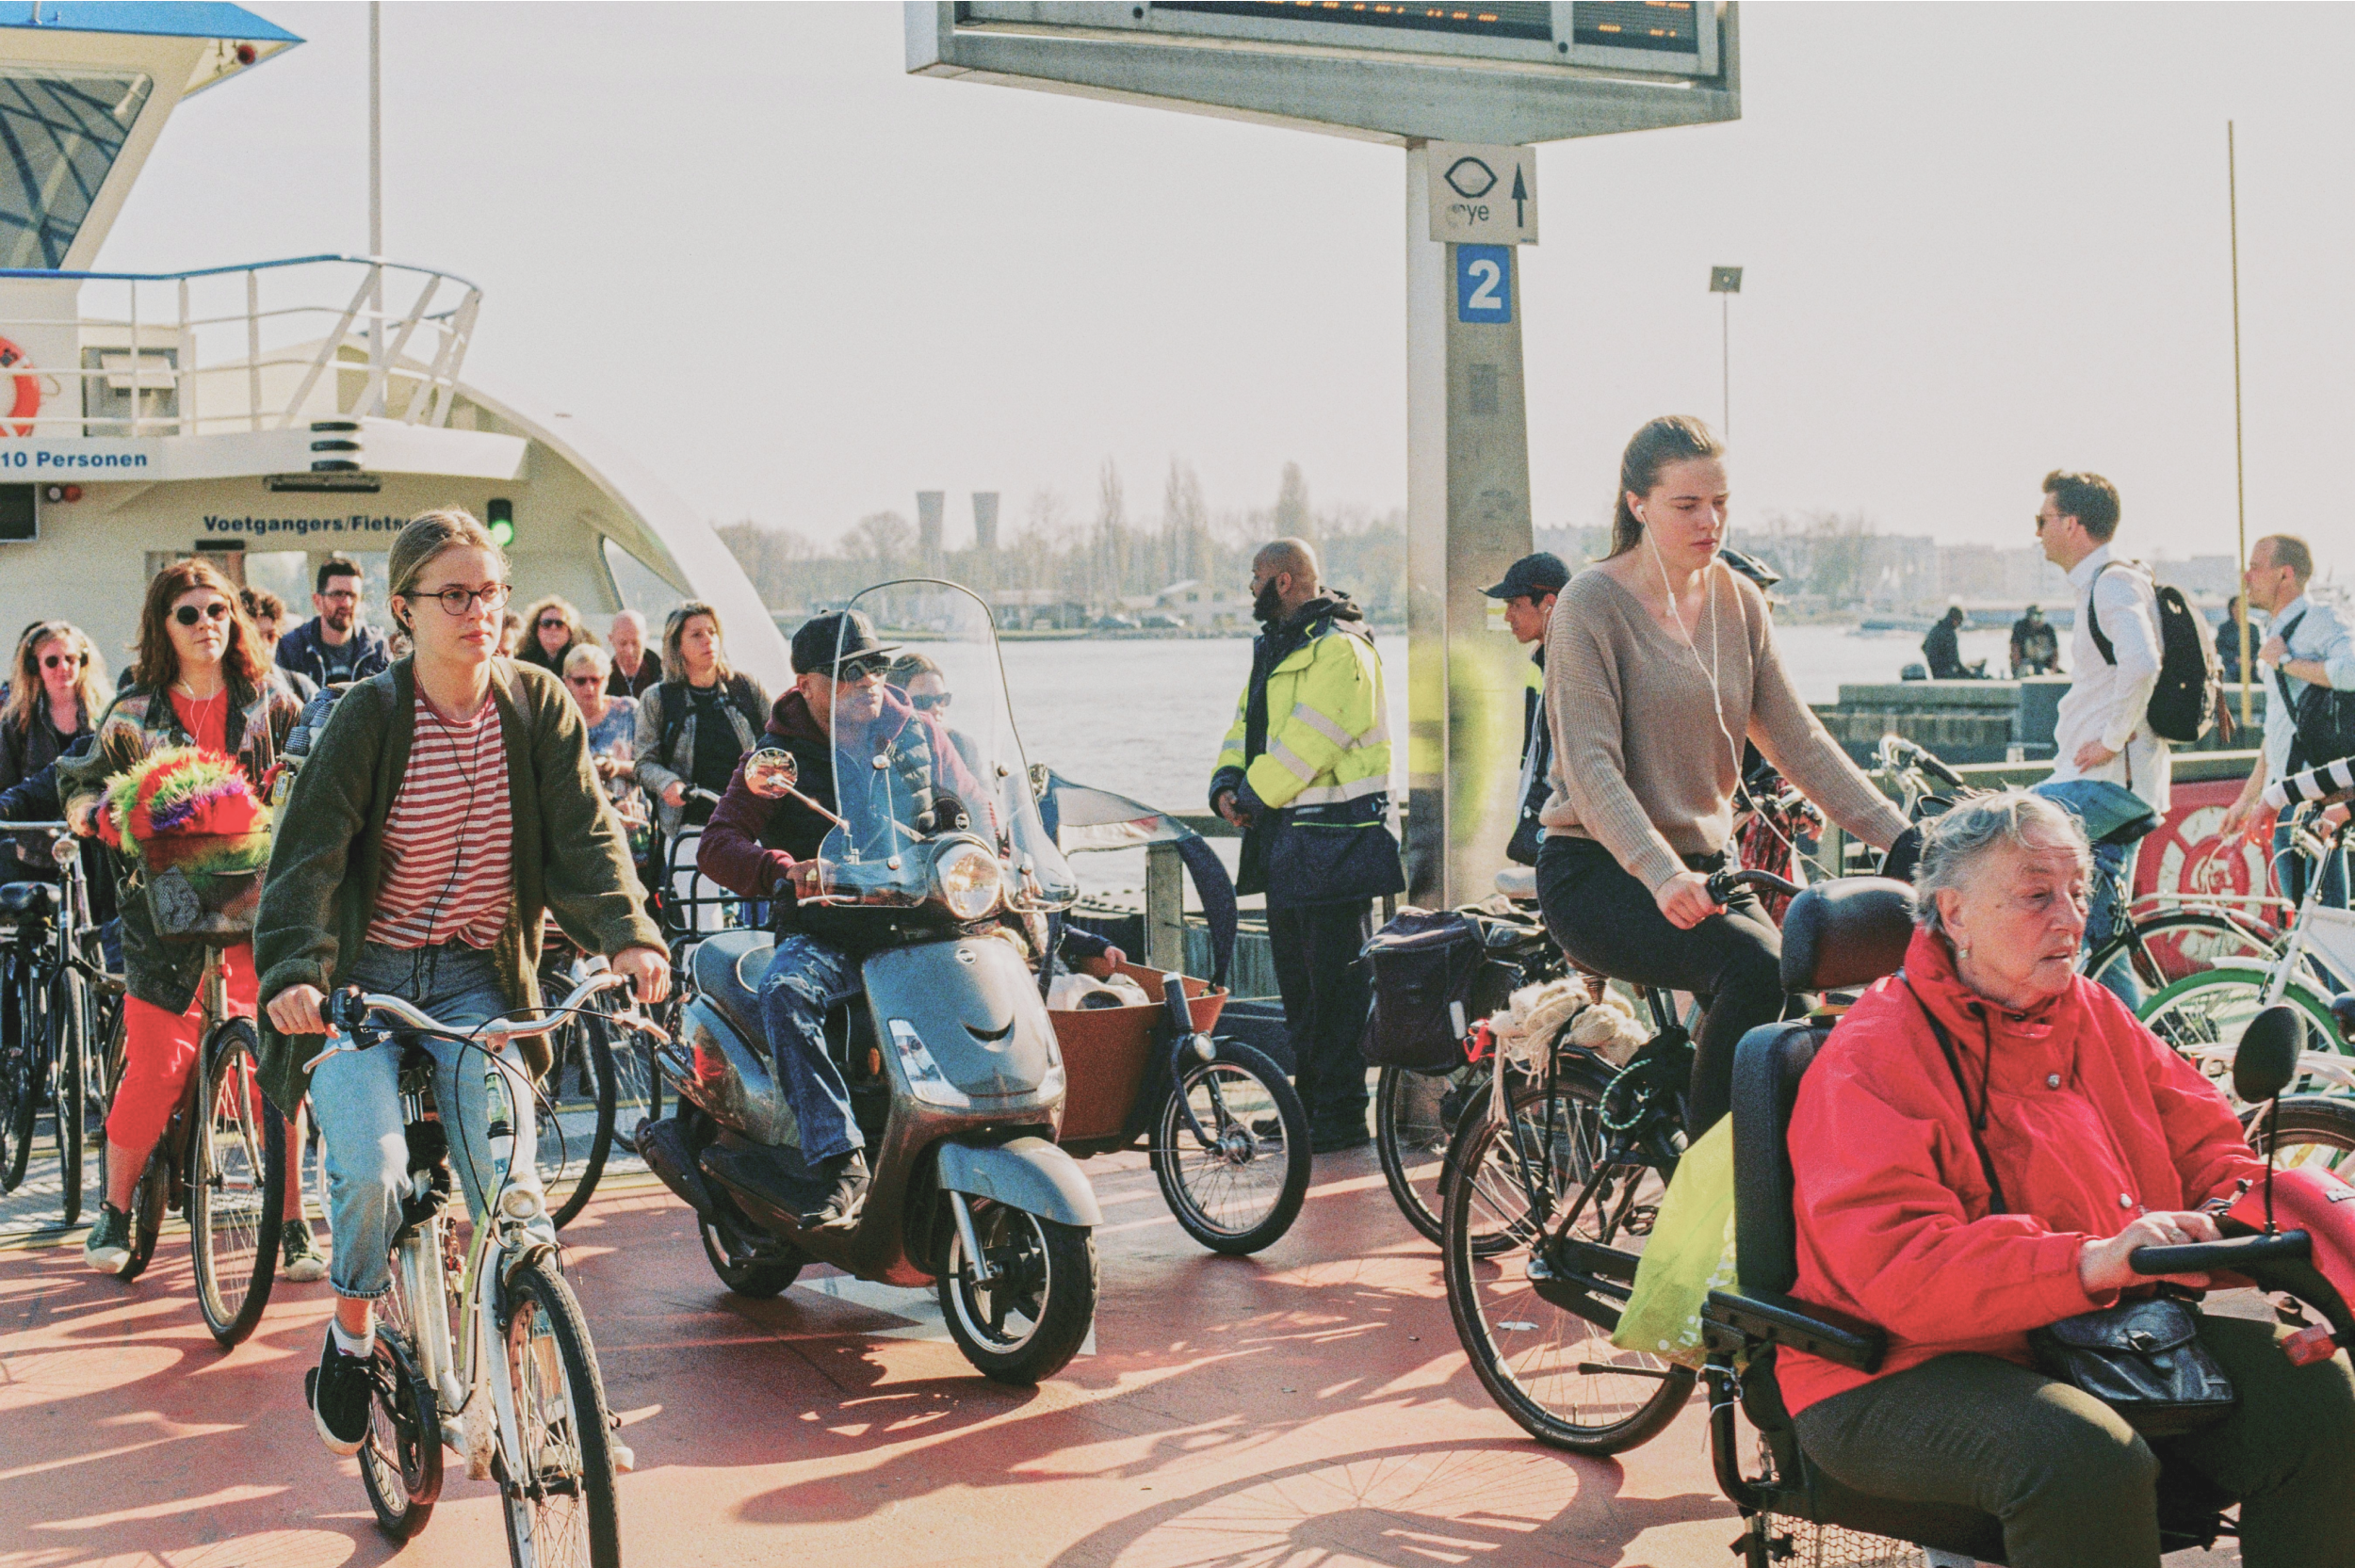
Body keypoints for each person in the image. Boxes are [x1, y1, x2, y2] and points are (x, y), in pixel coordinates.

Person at [1778, 791, 2355, 1568]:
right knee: (2084, 1456)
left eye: (2080, 891)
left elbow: (2210, 1150)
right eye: (2037, 895)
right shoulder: (1871, 1054)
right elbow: (1902, 1267)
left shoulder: (2091, 1011)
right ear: (1954, 913)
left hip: (2098, 1332)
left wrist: (2259, 1227)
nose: (2072, 917)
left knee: (2317, 1391)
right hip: (1890, 1366)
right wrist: (2088, 1259)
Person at [252, 508, 669, 1458]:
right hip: (366, 984)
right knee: (375, 1170)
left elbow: (587, 836)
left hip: (480, 981)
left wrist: (629, 934)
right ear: (403, 610)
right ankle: (352, 1340)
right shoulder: (372, 714)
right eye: (455, 595)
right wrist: (290, 973)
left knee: (512, 1190)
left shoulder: (535, 703)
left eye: (492, 593)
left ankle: (558, 1402)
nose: (481, 611)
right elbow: (307, 858)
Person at [1540, 415, 1912, 1138]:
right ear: (1637, 504)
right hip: (1600, 871)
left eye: (1721, 502)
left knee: (1799, 1020)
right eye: (1687, 505)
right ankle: (1712, 1198)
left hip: (1709, 873)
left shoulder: (1739, 601)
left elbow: (1798, 742)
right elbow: (1589, 767)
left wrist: (1902, 838)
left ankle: (1731, 1154)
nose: (1710, 521)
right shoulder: (1591, 602)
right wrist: (1659, 870)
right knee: (1755, 968)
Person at [59, 563, 314, 1277]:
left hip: (256, 904)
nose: (208, 623)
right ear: (162, 625)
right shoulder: (135, 709)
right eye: (189, 613)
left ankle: (292, 1220)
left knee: (281, 1067)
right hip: (162, 911)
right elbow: (82, 773)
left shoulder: (273, 700)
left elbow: (317, 761)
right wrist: (90, 810)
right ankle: (113, 1208)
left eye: (218, 609)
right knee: (158, 1066)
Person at [697, 611, 983, 1225]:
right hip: (830, 928)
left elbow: (976, 810)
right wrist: (781, 868)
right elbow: (716, 843)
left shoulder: (920, 733)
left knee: (1009, 964)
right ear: (807, 685)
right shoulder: (776, 759)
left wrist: (996, 853)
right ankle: (838, 1157)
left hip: (923, 923)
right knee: (785, 993)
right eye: (850, 671)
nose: (870, 680)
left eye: (877, 665)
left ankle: (989, 1121)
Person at [1210, 538, 1403, 1154]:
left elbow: (1309, 741)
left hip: (1337, 842)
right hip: (1293, 846)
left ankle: (1342, 1116)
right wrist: (1225, 783)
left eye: (1256, 580)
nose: (1251, 592)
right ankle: (1307, 1107)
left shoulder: (1340, 648)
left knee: (1337, 991)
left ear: (1285, 581)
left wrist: (1251, 796)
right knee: (1301, 990)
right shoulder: (1280, 648)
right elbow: (1248, 725)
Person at [2027, 471, 2168, 1004]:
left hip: (2107, 784)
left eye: (2041, 521)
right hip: (2113, 784)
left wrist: (2111, 739)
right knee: (2103, 941)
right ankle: (2142, 1051)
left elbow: (2141, 662)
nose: (2037, 532)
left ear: (2072, 524)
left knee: (1992, 827)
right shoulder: (2107, 581)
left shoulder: (2112, 581)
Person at [2220, 534, 2354, 910]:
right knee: (2306, 931)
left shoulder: (2319, 619)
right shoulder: (2275, 632)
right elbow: (2278, 734)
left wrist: (2284, 662)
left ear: (2285, 575)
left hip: (2316, 798)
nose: (2247, 577)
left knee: (2325, 929)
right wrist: (2247, 801)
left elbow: (2352, 670)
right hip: (2285, 801)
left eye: (2256, 567)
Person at [634, 600, 769, 842]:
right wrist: (668, 783)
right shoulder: (658, 698)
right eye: (696, 635)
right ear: (677, 645)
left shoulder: (745, 687)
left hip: (748, 821)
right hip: (690, 827)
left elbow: (779, 739)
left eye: (712, 632)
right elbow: (644, 763)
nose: (708, 640)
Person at [1483, 552, 1569, 867]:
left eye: (1515, 605)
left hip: (1563, 837)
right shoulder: (1545, 661)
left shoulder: (1576, 666)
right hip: (1544, 828)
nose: (1507, 616)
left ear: (1549, 603)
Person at [0, 621, 104, 883]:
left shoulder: (106, 716)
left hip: (94, 848)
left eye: (70, 658)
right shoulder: (15, 722)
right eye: (52, 661)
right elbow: (7, 786)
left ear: (83, 661)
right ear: (35, 667)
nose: (63, 668)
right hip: (34, 852)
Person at [562, 643, 650, 857]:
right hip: (583, 827)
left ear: (607, 679)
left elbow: (650, 766)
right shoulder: (560, 720)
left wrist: (616, 767)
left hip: (632, 822)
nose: (589, 688)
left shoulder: (629, 711)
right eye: (580, 681)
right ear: (566, 681)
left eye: (596, 679)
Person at [274, 557, 389, 689]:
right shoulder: (291, 648)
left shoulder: (376, 648)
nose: (346, 603)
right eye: (337, 594)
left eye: (352, 595)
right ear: (318, 601)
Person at [241, 588, 317, 702]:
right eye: (254, 637)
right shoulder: (220, 693)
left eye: (271, 636)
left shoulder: (301, 688)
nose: (264, 645)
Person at [518, 594, 594, 679]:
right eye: (546, 623)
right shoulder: (523, 662)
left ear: (570, 631)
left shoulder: (582, 661)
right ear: (536, 629)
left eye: (559, 624)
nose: (553, 628)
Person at [606, 608, 661, 698]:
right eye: (623, 643)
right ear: (611, 639)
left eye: (635, 643)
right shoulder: (600, 681)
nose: (629, 650)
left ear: (646, 638)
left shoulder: (665, 677)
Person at [2009, 604, 2061, 676]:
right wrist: (2017, 668)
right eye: (2036, 617)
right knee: (2028, 672)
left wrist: (2053, 669)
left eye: (2041, 617)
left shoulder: (2048, 629)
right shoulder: (2021, 628)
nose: (2039, 620)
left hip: (2045, 665)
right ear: (2029, 617)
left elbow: (2055, 652)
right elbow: (2015, 650)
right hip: (2025, 664)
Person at [1923, 605, 1971, 679]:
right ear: (1955, 619)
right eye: (1959, 621)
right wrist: (1968, 674)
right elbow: (1954, 659)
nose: (1959, 625)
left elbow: (1923, 647)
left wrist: (1933, 660)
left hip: (1935, 673)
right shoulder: (1949, 633)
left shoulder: (1936, 629)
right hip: (1945, 674)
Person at [2215, 594, 2249, 684]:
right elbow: (2220, 648)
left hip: (2250, 669)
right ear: (2231, 609)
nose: (2240, 609)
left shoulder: (2253, 628)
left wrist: (2251, 660)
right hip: (2230, 668)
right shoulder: (2224, 628)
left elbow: (2258, 646)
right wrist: (2235, 658)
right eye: (2237, 606)